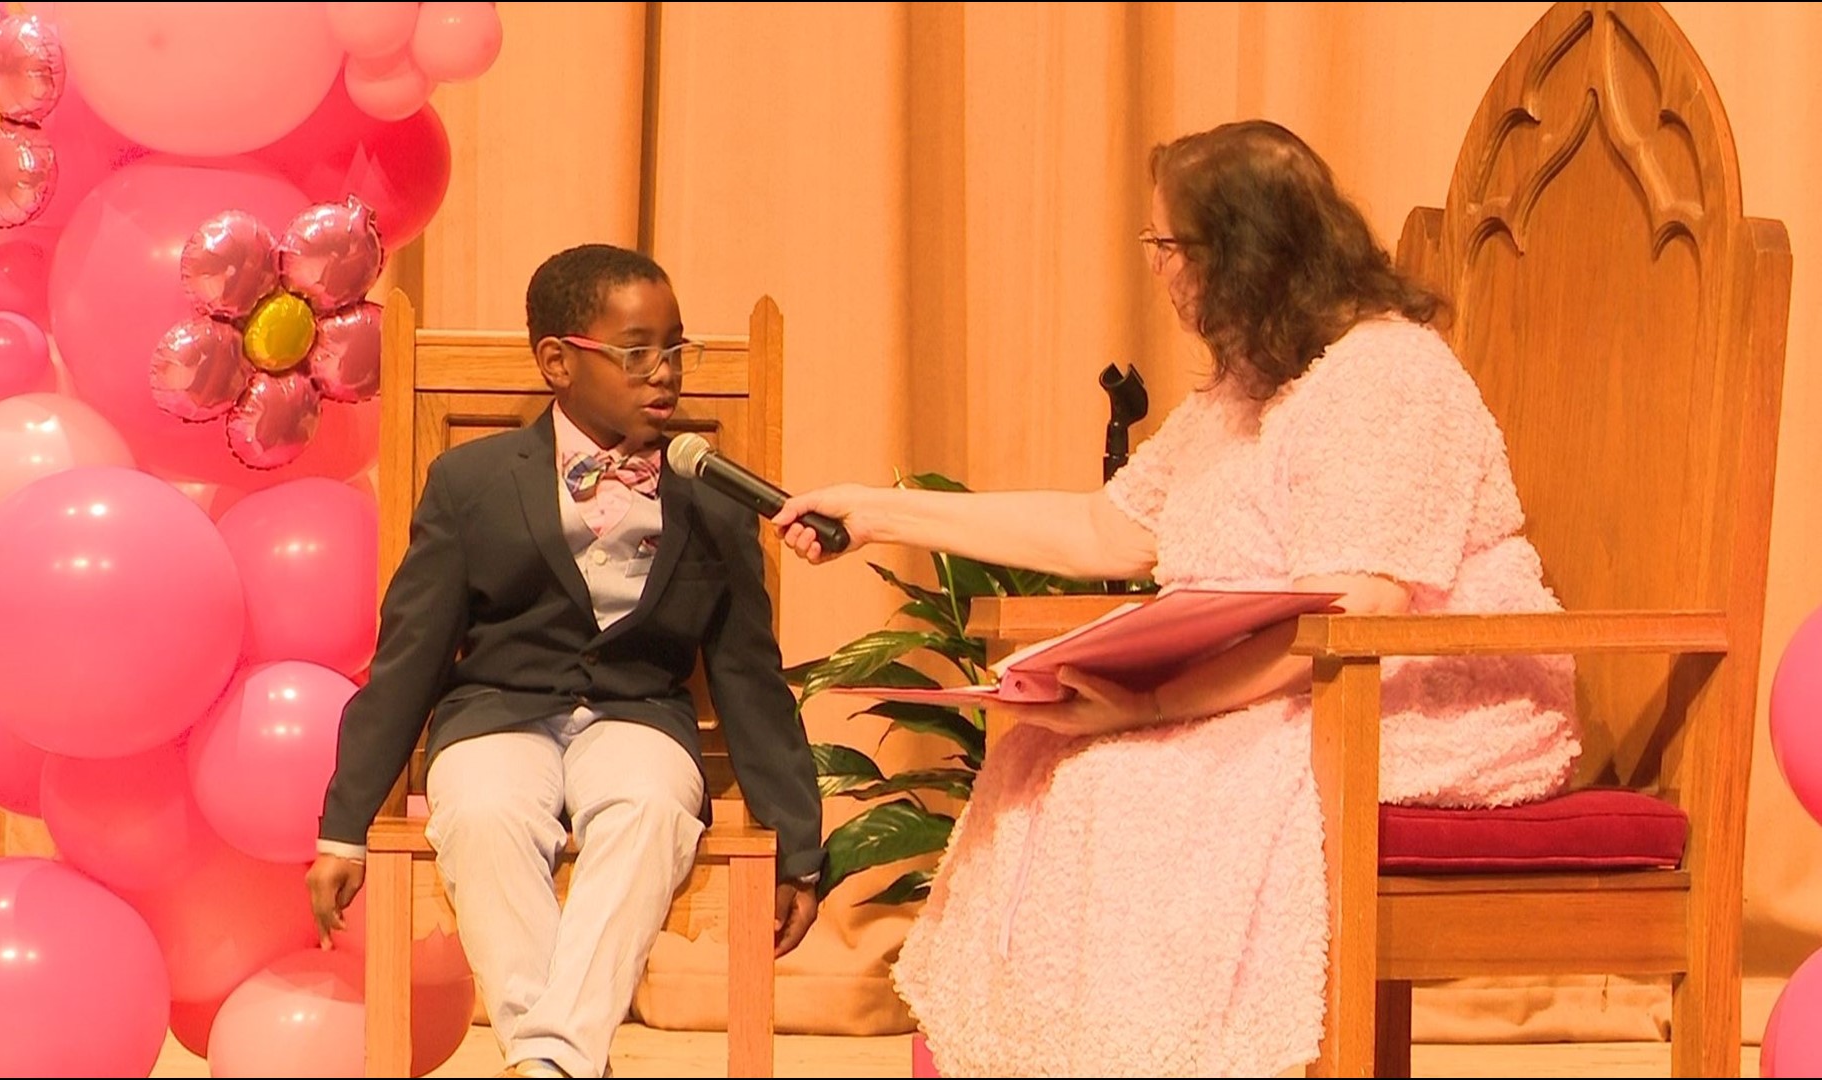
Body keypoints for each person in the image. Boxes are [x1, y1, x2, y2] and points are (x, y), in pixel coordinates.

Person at [773, 120, 1581, 1077]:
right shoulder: (1251, 382)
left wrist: (1154, 702)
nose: (1156, 268)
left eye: (1168, 245)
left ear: (1240, 254)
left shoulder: (1386, 375)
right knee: (1046, 755)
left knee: (1126, 786)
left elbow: (1360, 607)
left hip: (1413, 692)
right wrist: (876, 512)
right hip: (1299, 680)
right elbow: (1105, 531)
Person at [307, 244, 825, 1079]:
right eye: (636, 351)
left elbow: (748, 676)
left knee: (651, 807)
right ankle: (566, 1061)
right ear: (557, 361)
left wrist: (799, 841)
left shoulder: (713, 496)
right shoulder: (471, 483)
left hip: (638, 715)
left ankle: (546, 1063)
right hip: (497, 710)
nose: (665, 373)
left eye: (676, 349)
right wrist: (345, 827)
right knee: (482, 812)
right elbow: (410, 655)